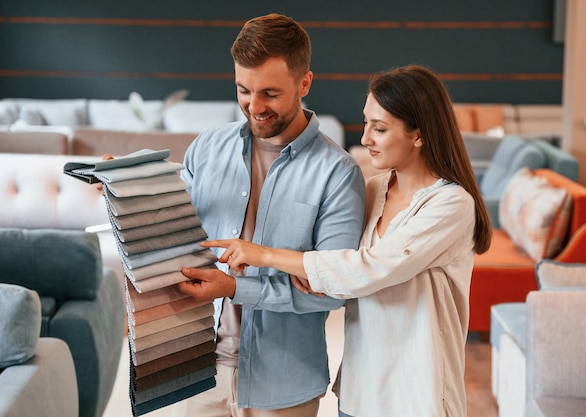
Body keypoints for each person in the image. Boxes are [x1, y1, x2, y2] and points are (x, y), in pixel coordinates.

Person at [179, 65, 493, 417]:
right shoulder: (373, 190)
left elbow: (367, 270)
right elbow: (338, 274)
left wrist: (268, 256)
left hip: (418, 395)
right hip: (359, 393)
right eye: (366, 123)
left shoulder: (451, 204)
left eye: (380, 128)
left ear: (418, 135)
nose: (365, 139)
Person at [171, 13, 366, 417]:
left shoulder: (337, 173)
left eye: (270, 94)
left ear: (304, 83)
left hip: (284, 384)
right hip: (195, 369)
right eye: (244, 90)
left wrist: (233, 288)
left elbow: (332, 292)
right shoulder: (207, 148)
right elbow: (175, 231)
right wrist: (129, 188)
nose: (254, 106)